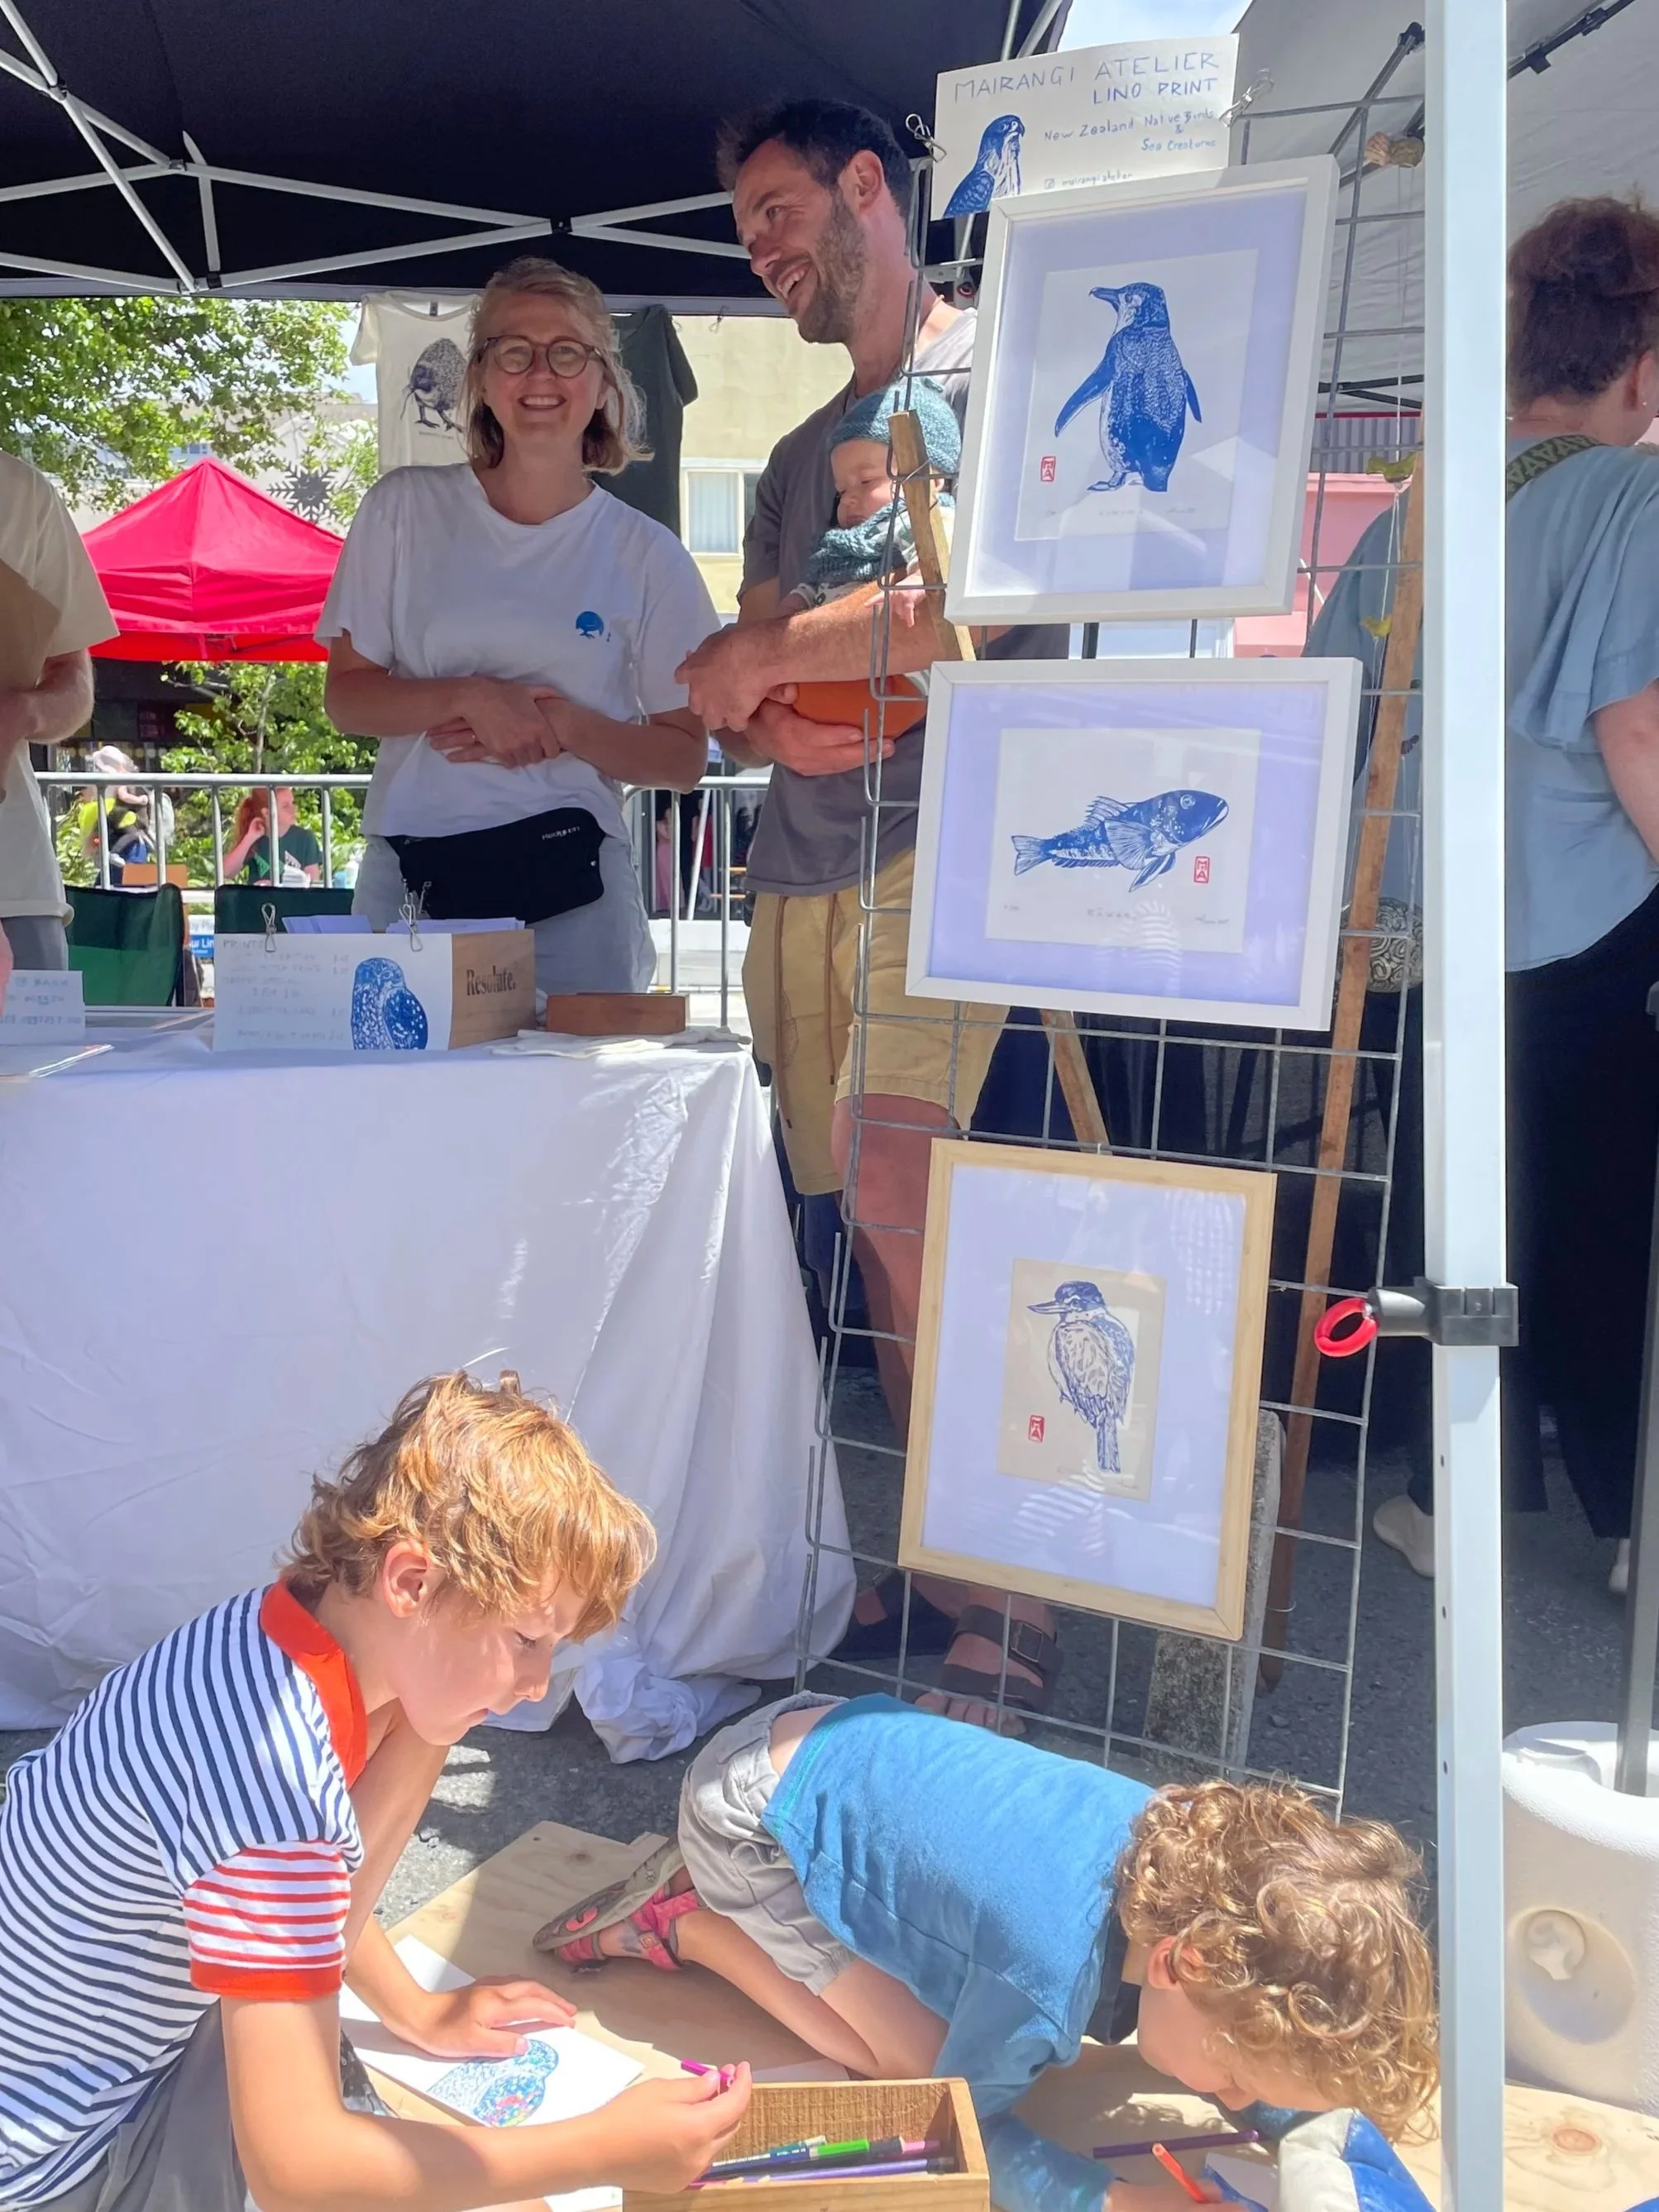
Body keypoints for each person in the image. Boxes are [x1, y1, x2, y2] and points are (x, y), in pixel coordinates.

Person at [677, 101, 1069, 1728]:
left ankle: (1016, 1597)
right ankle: (941, 1554)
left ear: (865, 189)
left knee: (924, 1213)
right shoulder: (784, 458)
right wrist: (795, 672)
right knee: (873, 1253)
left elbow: (951, 617)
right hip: (800, 867)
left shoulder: (992, 379)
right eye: (744, 224)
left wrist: (797, 658)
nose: (762, 245)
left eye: (778, 206)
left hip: (949, 856)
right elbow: (731, 676)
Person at [0, 1369, 751, 2211]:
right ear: (410, 1581)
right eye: (527, 1639)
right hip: (70, 2163)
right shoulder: (270, 1780)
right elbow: (299, 2169)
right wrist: (599, 2150)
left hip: (90, 2066)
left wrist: (414, 2011)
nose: (540, 1682)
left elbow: (303, 1906)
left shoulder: (277, 1640)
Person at [1314, 196, 1659, 1596]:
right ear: (1643, 360)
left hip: (1424, 935)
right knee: (1610, 1230)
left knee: (1463, 1232)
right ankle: (1634, 1519)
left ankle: (1451, 1496)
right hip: (1584, 922)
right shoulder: (1631, 495)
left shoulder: (1417, 509)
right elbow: (1635, 730)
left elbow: (1339, 726)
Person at [540, 1693, 1438, 2212]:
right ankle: (687, 1918)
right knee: (904, 2063)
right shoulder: (1043, 1978)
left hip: (836, 1730)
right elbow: (955, 2132)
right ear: (1179, 1964)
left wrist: (1300, 2121)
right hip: (744, 1821)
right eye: (1240, 2079)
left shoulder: (1194, 1856)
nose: (1228, 2101)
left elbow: (1249, 2040)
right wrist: (1114, 2201)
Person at [321, 256, 717, 994]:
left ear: (603, 384)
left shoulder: (647, 554)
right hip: (409, 884)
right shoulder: (402, 508)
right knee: (390, 1108)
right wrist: (471, 697)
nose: (541, 374)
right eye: (513, 351)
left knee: (579, 1108)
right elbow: (347, 699)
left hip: (576, 899)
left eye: (568, 352)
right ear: (479, 377)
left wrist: (561, 725)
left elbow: (683, 757)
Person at [0, 450, 114, 972]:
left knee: (38, 1052)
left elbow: (74, 684)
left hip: (12, 881)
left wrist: (25, 712)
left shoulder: (21, 493)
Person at [224, 785, 323, 884]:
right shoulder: (255, 837)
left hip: (293, 898)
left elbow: (313, 882)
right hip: (260, 898)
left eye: (293, 803)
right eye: (285, 806)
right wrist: (249, 838)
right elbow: (227, 872)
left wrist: (278, 886)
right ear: (267, 813)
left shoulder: (305, 838)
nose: (293, 809)